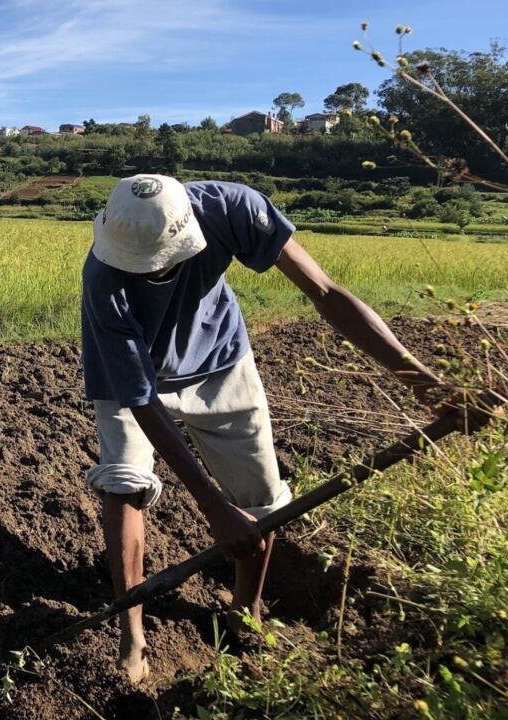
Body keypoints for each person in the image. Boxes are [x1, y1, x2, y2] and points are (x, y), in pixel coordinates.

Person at [81, 175, 442, 683]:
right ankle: (131, 631)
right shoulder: (104, 278)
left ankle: (244, 609)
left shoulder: (234, 208)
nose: (150, 275)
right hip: (132, 378)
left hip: (220, 359)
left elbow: (325, 291)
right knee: (124, 485)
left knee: (262, 502)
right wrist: (210, 507)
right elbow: (140, 397)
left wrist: (426, 384)